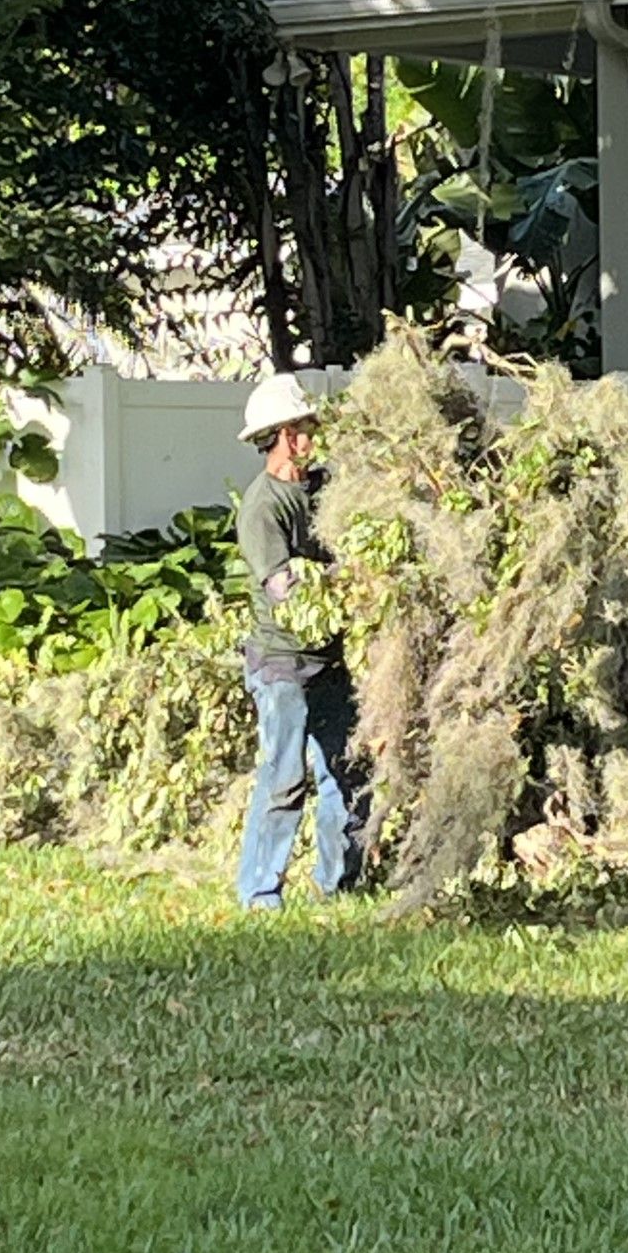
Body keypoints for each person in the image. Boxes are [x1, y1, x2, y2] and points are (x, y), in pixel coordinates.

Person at [234, 372, 358, 911]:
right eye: (309, 426)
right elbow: (283, 587)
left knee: (344, 774)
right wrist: (346, 580)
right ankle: (260, 895)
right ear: (286, 435)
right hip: (282, 663)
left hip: (328, 660)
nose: (316, 435)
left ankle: (338, 887)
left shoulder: (321, 488)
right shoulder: (263, 508)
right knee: (285, 779)